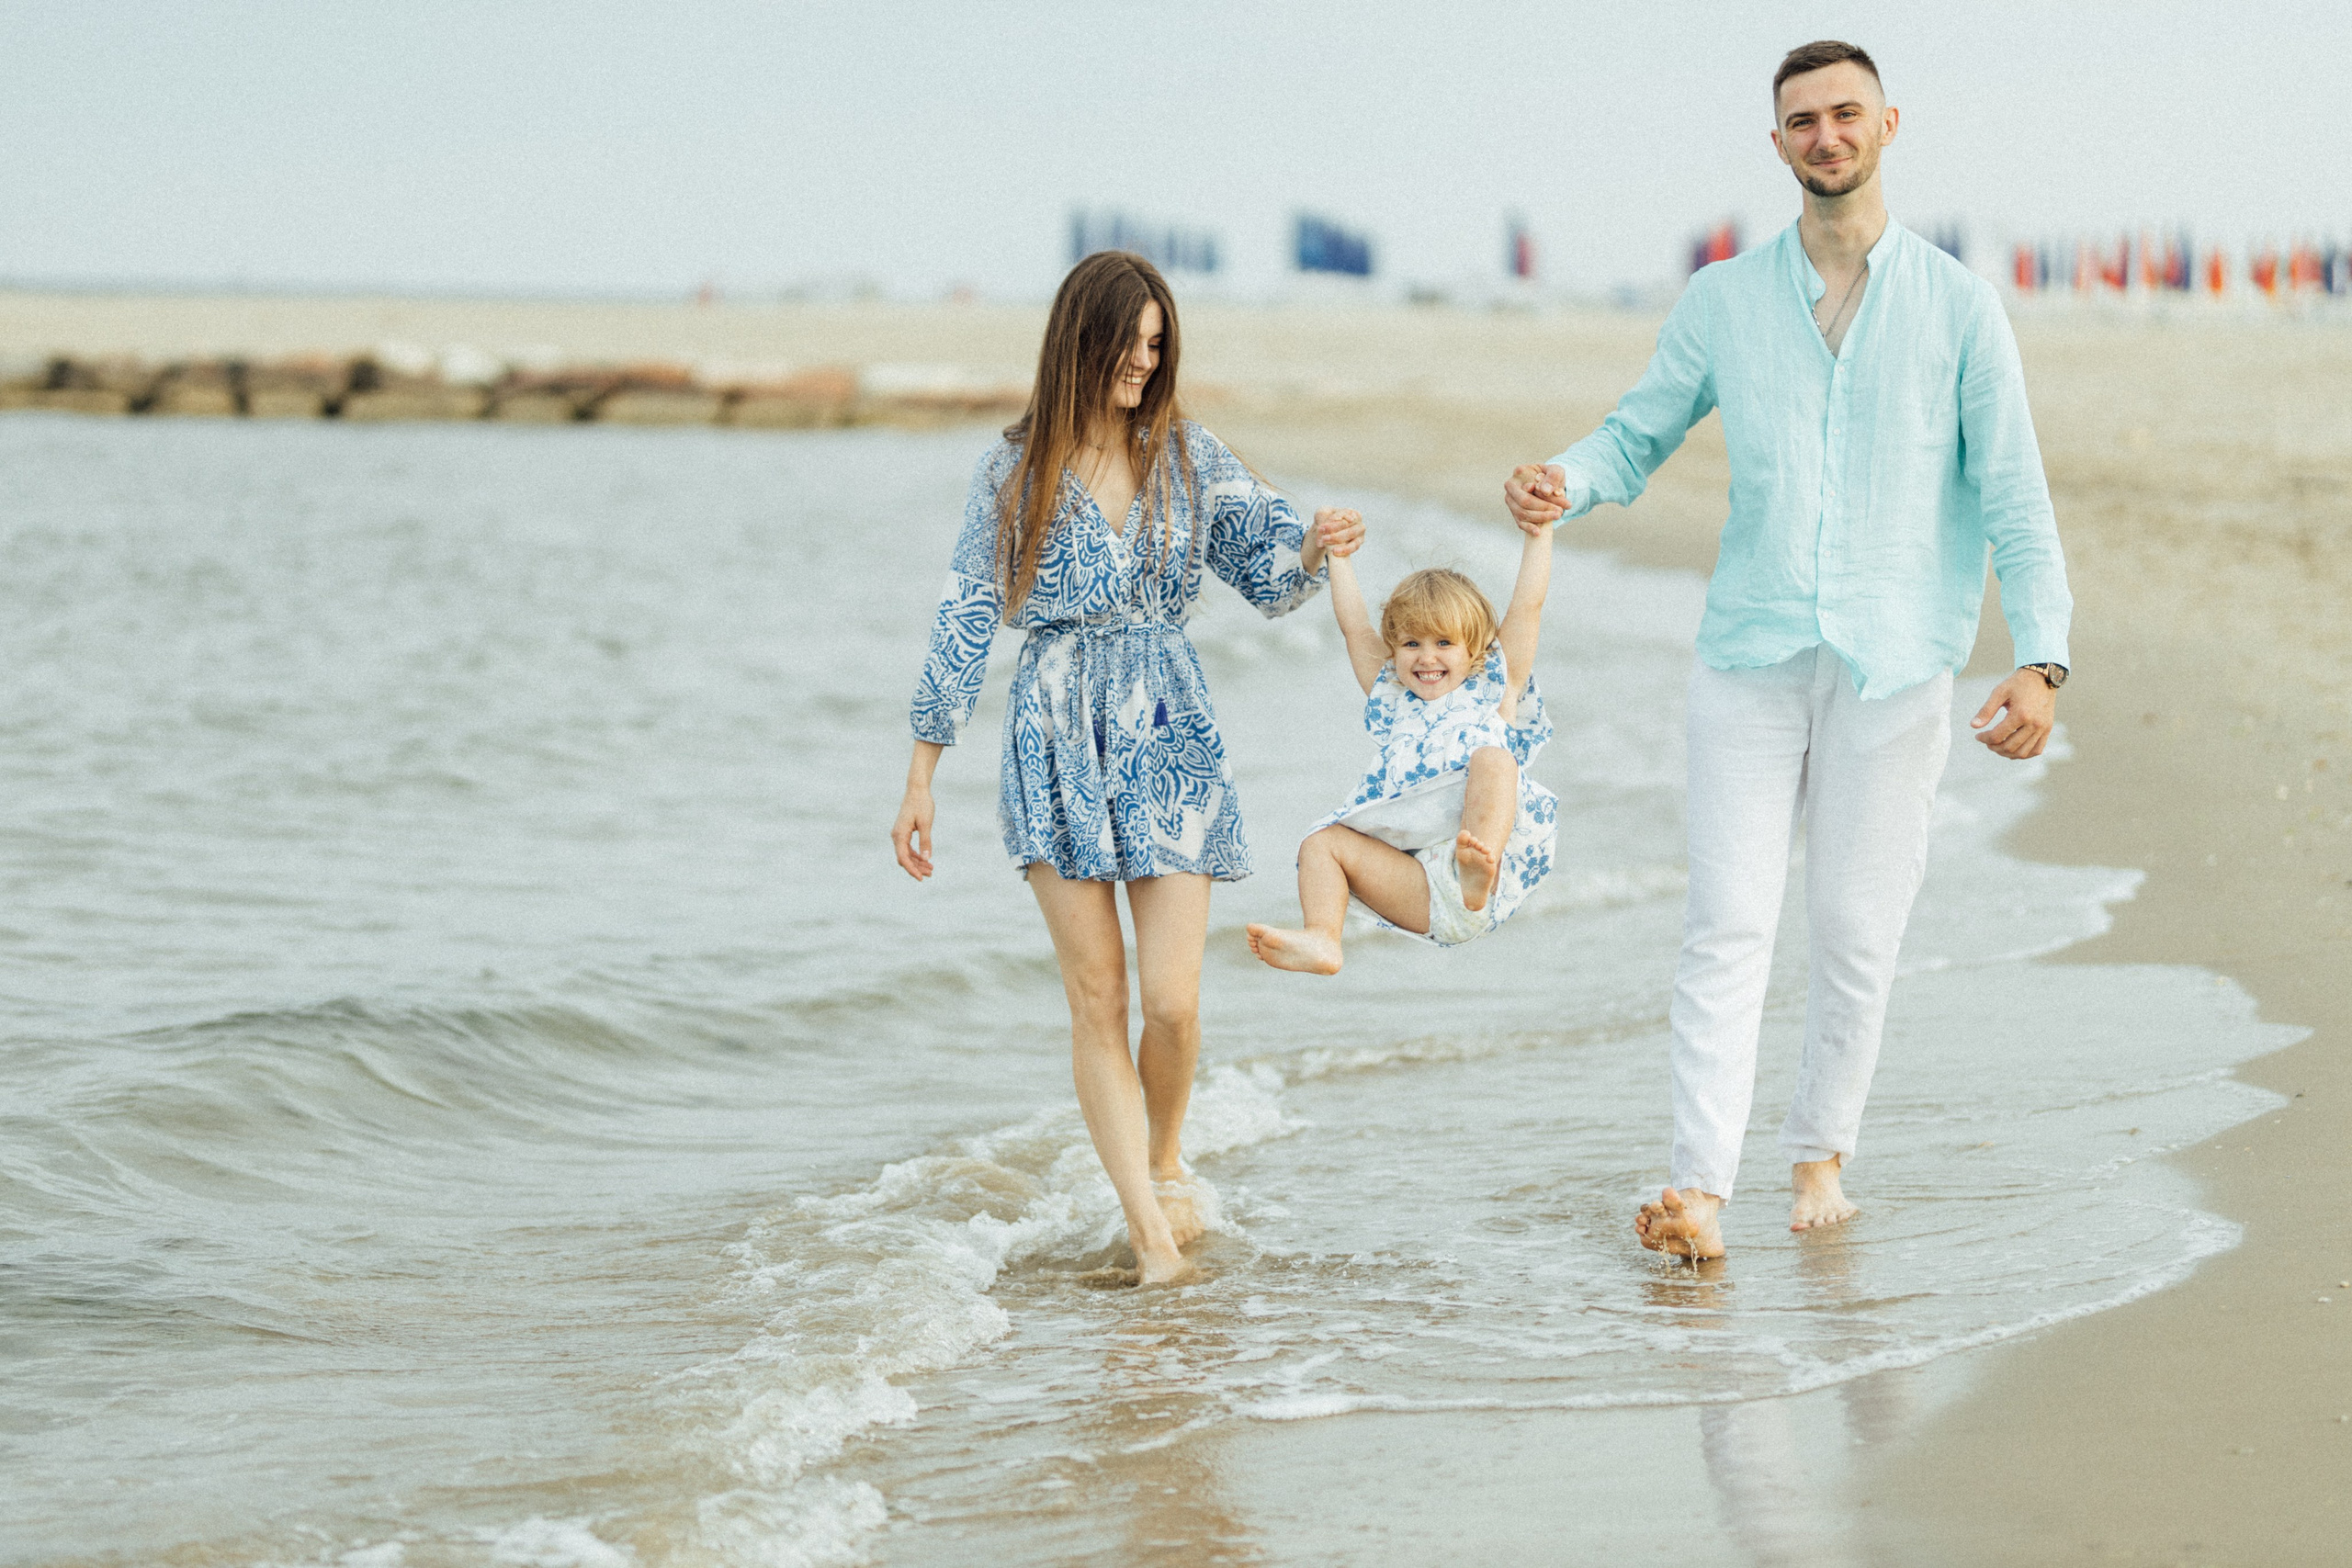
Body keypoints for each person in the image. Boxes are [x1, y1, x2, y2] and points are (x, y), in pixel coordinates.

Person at [1504, 39, 2073, 1259]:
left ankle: (1819, 1154)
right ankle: (1697, 1187)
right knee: (1726, 921)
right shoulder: (1722, 300)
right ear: (1777, 145)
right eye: (1803, 120)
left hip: (1899, 657)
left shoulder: (1960, 305)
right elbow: (1635, 432)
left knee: (1856, 927)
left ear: (1887, 125)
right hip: (1750, 653)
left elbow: (2017, 498)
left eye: (1845, 113)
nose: (1826, 135)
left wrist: (2043, 658)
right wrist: (1569, 479)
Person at [891, 251, 1360, 1286]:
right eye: (1129, 343)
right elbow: (966, 615)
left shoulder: (1188, 456)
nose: (1145, 364)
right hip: (1053, 737)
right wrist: (923, 770)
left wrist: (1320, 546)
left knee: (1174, 1002)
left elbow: (1269, 571)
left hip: (1169, 734)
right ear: (1081, 340)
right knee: (1097, 996)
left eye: (1158, 345)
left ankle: (1161, 1154)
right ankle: (1149, 1230)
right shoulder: (1010, 472)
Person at [1246, 521, 1560, 972]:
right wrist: (1339, 557)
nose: (1426, 657)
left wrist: (1540, 533)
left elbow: (1529, 606)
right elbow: (1355, 628)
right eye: (1411, 643)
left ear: (1474, 651)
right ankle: (1323, 937)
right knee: (1320, 843)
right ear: (1394, 650)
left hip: (1478, 882)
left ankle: (1477, 871)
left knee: (1494, 758)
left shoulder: (1493, 693)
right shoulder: (1393, 700)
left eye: (1444, 643)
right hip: (1418, 892)